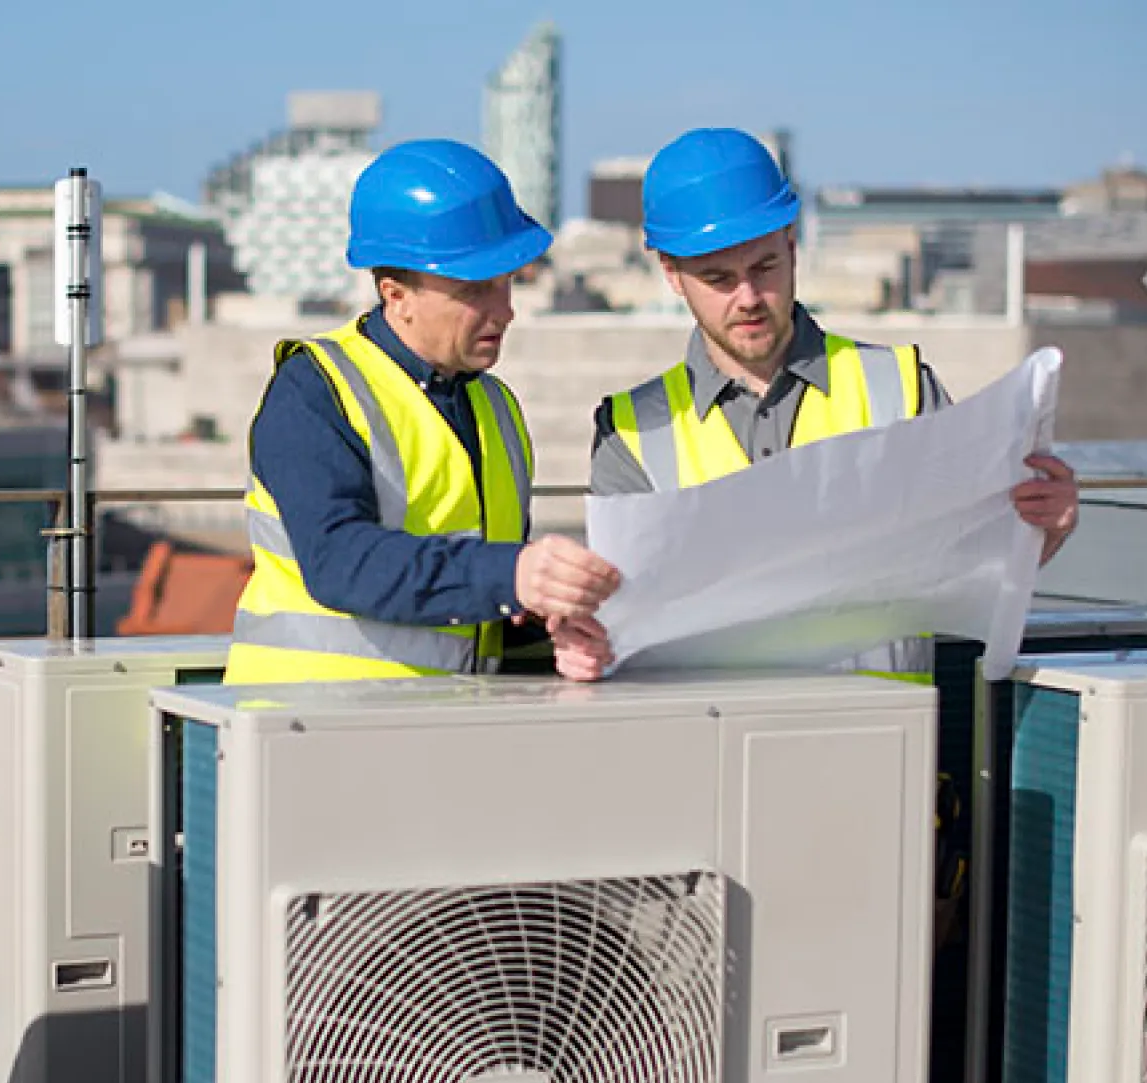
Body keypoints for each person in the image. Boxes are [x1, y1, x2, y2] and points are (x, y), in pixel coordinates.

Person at [573, 126, 1079, 682]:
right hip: (716, 747)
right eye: (718, 278)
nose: (748, 298)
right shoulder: (632, 433)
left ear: (792, 244)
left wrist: (1040, 532)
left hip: (887, 741)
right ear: (672, 273)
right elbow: (623, 628)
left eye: (764, 268)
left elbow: (969, 573)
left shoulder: (902, 388)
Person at [225, 139, 620, 686]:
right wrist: (513, 575)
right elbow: (340, 561)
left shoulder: (495, 406)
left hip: (436, 727)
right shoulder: (315, 389)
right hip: (304, 725)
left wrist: (547, 622)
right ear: (396, 294)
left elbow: (471, 605)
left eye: (507, 284)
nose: (504, 311)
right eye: (474, 289)